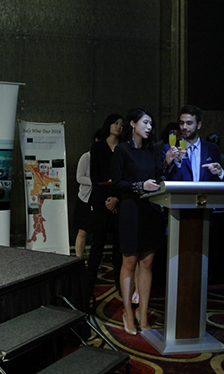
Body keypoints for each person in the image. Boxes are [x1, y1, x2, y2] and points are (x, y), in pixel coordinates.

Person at [111, 108, 174, 335]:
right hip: (130, 210)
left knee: (147, 263)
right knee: (129, 263)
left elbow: (159, 178)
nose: (149, 127)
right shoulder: (122, 149)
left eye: (151, 124)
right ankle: (128, 312)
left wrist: (167, 162)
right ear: (133, 123)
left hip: (151, 210)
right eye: (145, 122)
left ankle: (143, 313)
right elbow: (117, 183)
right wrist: (139, 186)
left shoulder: (152, 149)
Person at [86, 114, 123, 294]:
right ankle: (89, 282)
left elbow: (126, 176)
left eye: (121, 124)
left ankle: (120, 283)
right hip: (101, 200)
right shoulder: (98, 147)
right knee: (97, 243)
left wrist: (115, 198)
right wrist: (107, 200)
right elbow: (95, 176)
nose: (118, 126)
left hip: (119, 200)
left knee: (119, 244)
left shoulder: (124, 147)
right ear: (108, 125)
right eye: (115, 123)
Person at [163, 104, 224, 182]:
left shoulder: (211, 149)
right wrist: (171, 163)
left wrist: (220, 173)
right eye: (181, 123)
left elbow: (218, 180)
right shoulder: (170, 148)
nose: (184, 127)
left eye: (189, 123)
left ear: (198, 125)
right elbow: (164, 178)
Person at [73, 131, 99, 258]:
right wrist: (97, 182)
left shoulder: (109, 157)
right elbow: (79, 177)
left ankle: (93, 260)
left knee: (99, 233)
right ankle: (78, 258)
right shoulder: (86, 157)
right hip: (85, 199)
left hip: (101, 198)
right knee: (83, 231)